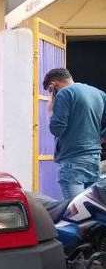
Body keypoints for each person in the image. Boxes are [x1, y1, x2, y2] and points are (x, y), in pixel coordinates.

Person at [43, 67, 106, 202]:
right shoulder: (98, 93)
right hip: (94, 159)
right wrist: (99, 138)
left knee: (75, 211)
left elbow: (56, 129)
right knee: (91, 209)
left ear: (54, 85)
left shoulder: (64, 93)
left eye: (49, 90)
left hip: (73, 161)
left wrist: (50, 108)